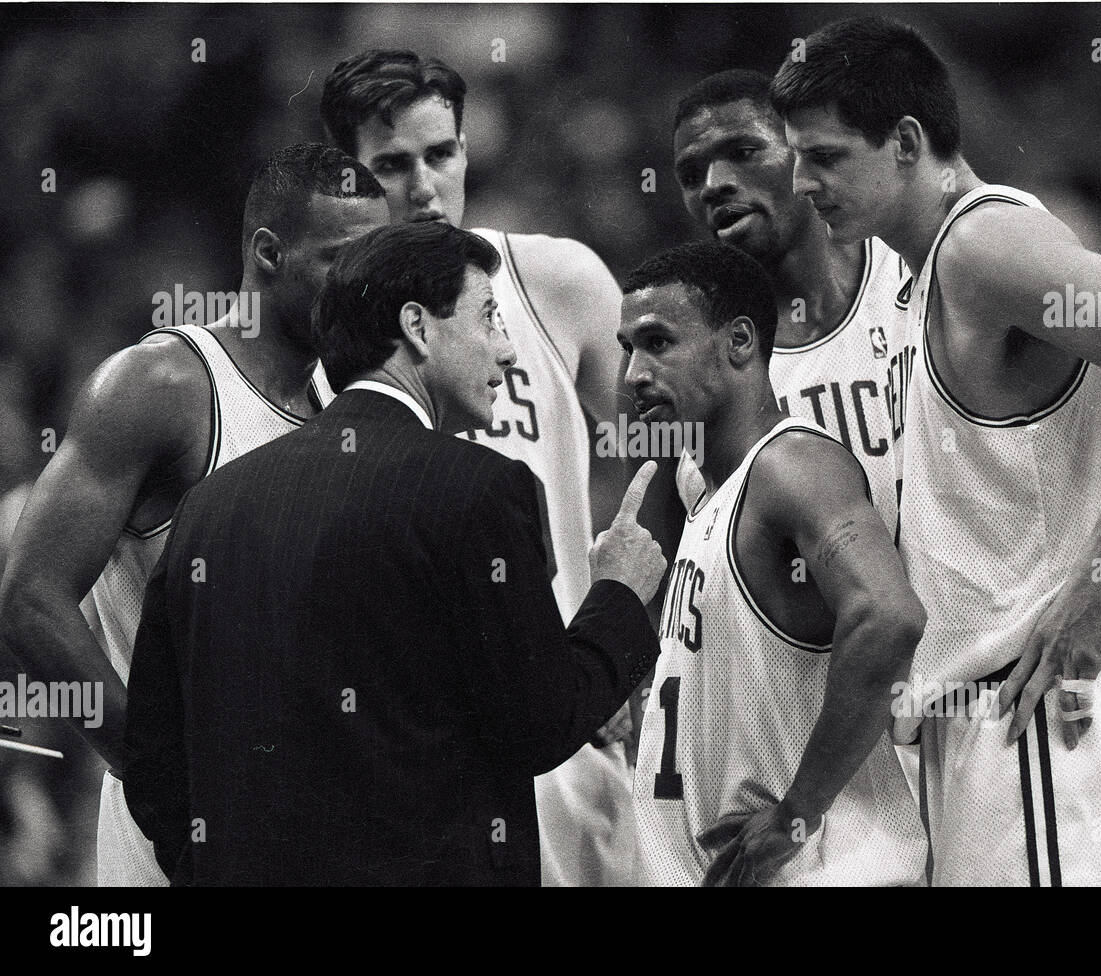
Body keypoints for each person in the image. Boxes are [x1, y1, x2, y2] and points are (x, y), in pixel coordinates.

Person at [773, 14, 1101, 885]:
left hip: (1040, 720)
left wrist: (1096, 588)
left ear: (908, 142)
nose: (802, 182)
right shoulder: (935, 275)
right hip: (1001, 724)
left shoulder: (983, 246)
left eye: (827, 156)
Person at [122, 220, 665, 886]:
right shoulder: (482, 490)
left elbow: (150, 762)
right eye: (490, 318)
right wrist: (617, 595)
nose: (506, 352)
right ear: (417, 326)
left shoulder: (212, 505)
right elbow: (540, 725)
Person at [0, 144, 389, 886]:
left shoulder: (349, 411)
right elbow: (28, 600)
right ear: (268, 253)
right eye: (342, 259)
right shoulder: (161, 384)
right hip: (178, 843)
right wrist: (162, 777)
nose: (363, 288)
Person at [320, 50, 638, 886]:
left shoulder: (555, 281)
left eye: (440, 154)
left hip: (569, 712)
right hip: (413, 749)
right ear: (347, 178)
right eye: (391, 165)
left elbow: (677, 471)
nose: (423, 186)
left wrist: (641, 642)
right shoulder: (324, 334)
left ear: (467, 150)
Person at [622, 242, 928, 886]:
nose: (633, 374)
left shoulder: (789, 467)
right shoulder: (707, 497)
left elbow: (891, 616)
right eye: (627, 348)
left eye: (657, 342)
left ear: (738, 342)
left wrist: (798, 812)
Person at [673, 69, 910, 535]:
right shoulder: (687, 360)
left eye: (743, 152)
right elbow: (654, 570)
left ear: (803, 153)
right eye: (690, 173)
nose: (713, 184)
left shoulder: (914, 264)